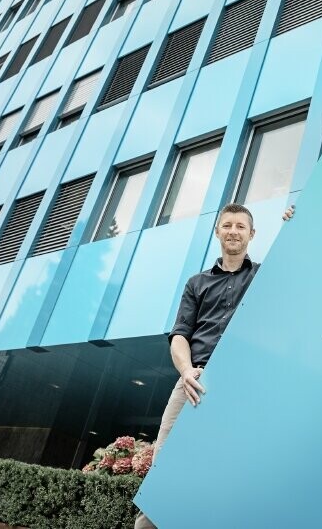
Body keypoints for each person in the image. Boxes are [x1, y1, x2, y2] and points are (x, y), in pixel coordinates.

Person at [134, 203, 259, 529]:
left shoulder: (263, 276)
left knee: (229, 474)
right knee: (165, 470)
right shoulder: (196, 283)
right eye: (227, 225)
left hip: (242, 384)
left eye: (240, 226)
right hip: (195, 380)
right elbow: (180, 336)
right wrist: (186, 371)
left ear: (251, 234)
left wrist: (292, 221)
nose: (233, 231)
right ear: (217, 231)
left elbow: (300, 261)